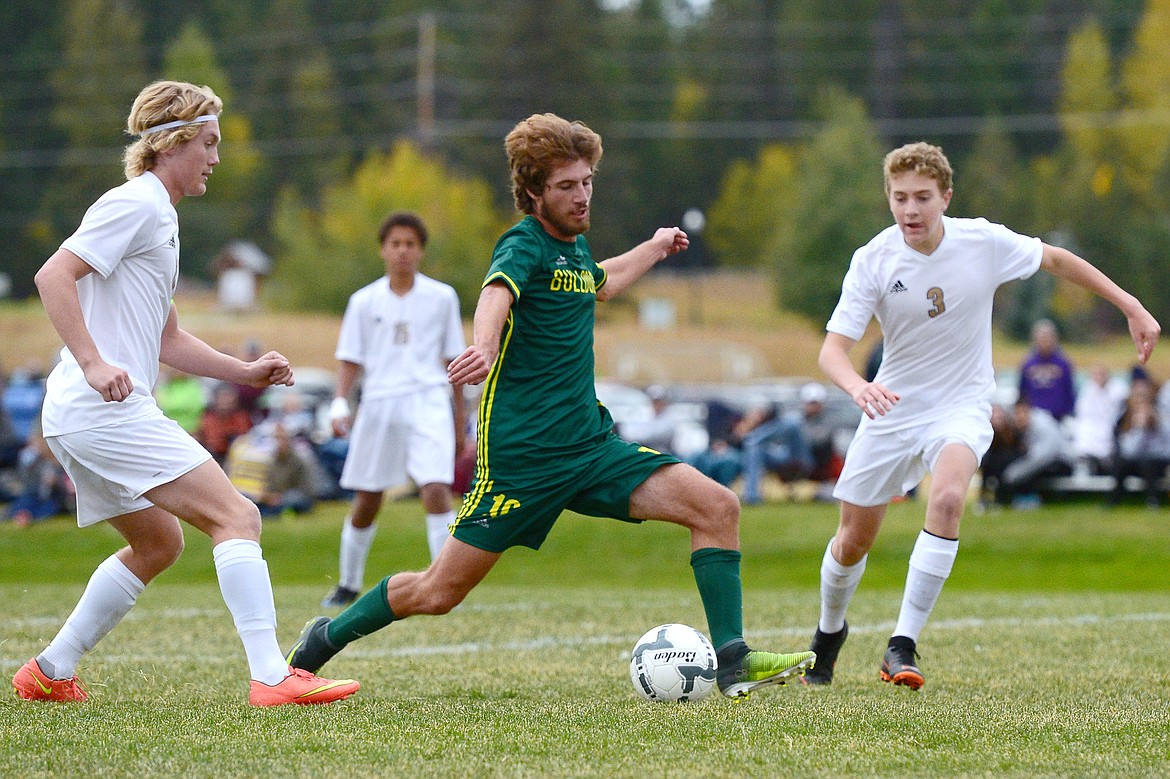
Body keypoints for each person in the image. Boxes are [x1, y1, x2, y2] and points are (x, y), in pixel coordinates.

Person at [286, 112, 815, 698]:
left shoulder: (574, 250)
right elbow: (495, 294)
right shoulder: (524, 244)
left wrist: (656, 247)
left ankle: (732, 658)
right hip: (524, 461)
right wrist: (483, 348)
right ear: (534, 191)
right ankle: (323, 639)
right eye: (566, 186)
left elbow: (601, 281)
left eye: (587, 181)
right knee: (438, 593)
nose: (582, 195)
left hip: (589, 447)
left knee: (716, 506)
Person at [11, 80, 358, 707]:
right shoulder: (137, 204)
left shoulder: (159, 216)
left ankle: (50, 670)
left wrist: (243, 373)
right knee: (238, 515)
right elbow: (52, 275)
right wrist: (92, 362)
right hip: (99, 408)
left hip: (80, 414)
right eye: (209, 142)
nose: (216, 157)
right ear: (171, 143)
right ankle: (272, 677)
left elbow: (165, 337)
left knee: (159, 542)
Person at [800, 141, 1159, 690]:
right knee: (853, 540)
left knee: (946, 499)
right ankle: (828, 636)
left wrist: (1131, 306)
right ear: (889, 199)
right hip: (892, 408)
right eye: (899, 198)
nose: (910, 209)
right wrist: (858, 386)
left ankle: (902, 645)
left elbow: (1057, 260)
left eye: (922, 197)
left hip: (961, 405)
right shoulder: (873, 259)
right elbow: (832, 350)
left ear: (946, 197)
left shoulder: (982, 241)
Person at [319, 211, 469, 608]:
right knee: (368, 495)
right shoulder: (364, 301)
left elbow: (454, 363)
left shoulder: (441, 297)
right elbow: (350, 359)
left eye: (410, 244)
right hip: (380, 401)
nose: (403, 251)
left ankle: (445, 581)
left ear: (420, 251)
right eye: (395, 244)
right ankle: (348, 583)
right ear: (384, 250)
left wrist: (460, 424)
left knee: (436, 487)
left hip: (428, 399)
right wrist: (339, 402)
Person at [980, 399, 1071, 508]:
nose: (1019, 418)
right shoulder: (1022, 428)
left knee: (1025, 469)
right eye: (1017, 414)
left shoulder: (1043, 425)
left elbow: (1040, 458)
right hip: (1041, 461)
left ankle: (1027, 498)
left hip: (1060, 463)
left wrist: (1013, 473)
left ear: (1029, 411)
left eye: (1022, 413)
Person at [1108, 384, 1170, 507]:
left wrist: (1154, 422)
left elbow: (1167, 448)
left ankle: (1153, 499)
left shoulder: (1162, 418)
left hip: (1158, 461)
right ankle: (1114, 499)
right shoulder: (1126, 419)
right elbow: (1129, 451)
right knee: (1120, 463)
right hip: (1136, 461)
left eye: (1143, 398)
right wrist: (1140, 429)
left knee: (1148, 462)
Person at [1070, 364, 1126, 475]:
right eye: (1095, 375)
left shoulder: (1118, 389)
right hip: (1090, 424)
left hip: (1110, 424)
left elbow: (1118, 411)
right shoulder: (1088, 388)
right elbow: (1082, 411)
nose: (1098, 377)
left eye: (1101, 374)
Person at [1017, 319, 1077, 421]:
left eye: (1047, 338)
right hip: (1034, 417)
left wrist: (1068, 412)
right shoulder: (1028, 364)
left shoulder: (1063, 364)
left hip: (1058, 417)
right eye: (1041, 338)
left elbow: (1069, 391)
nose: (1044, 341)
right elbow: (1022, 393)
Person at [196, 383, 253, 464]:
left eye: (229, 397)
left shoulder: (241, 417)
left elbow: (244, 440)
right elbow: (211, 442)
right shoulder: (208, 418)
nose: (226, 401)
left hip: (235, 459)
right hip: (211, 457)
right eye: (223, 397)